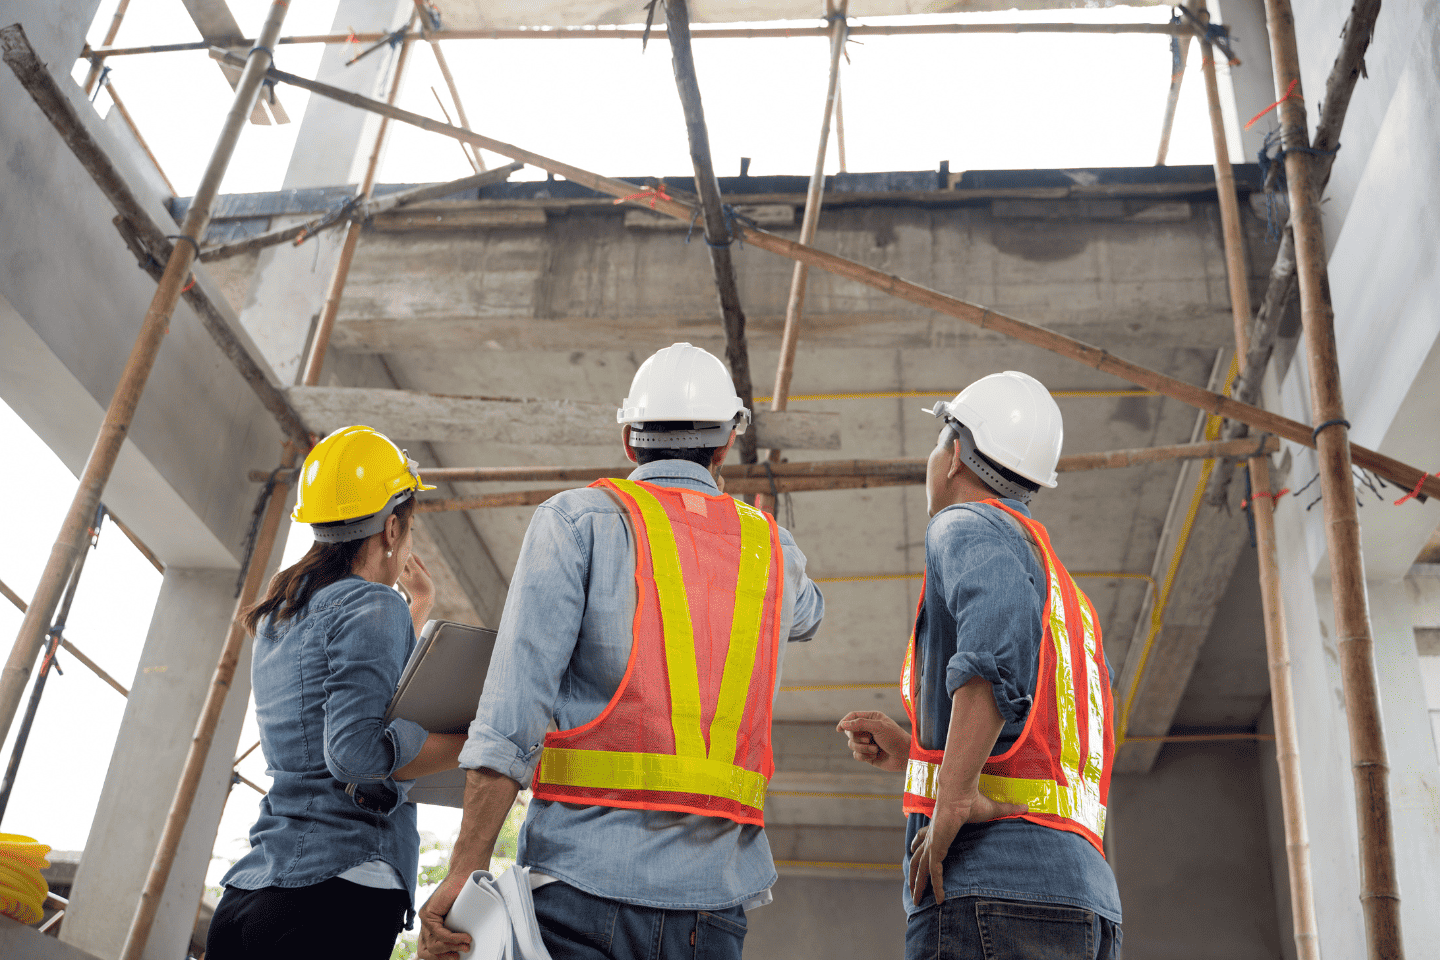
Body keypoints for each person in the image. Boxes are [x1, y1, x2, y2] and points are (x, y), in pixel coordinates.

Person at [417, 342, 825, 960]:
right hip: (711, 909)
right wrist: (747, 528)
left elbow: (510, 720)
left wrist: (465, 872)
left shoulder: (577, 520)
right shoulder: (771, 549)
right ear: (725, 445)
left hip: (581, 893)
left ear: (630, 440)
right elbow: (809, 614)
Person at [837, 371, 1121, 959]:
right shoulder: (1066, 595)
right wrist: (924, 755)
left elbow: (993, 656)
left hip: (991, 888)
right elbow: (1038, 742)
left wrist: (956, 793)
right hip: (1084, 898)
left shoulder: (967, 524)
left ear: (955, 454)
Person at [207, 425, 467, 960]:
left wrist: (412, 616)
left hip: (255, 893)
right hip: (335, 889)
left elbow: (341, 693)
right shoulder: (373, 605)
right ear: (392, 528)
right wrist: (477, 741)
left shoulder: (287, 607)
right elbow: (354, 754)